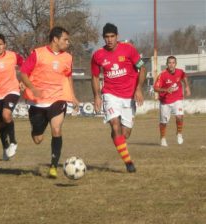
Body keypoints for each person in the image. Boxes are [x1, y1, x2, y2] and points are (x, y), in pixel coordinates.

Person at [20, 26, 79, 178]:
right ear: (55, 39)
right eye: (65, 39)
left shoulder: (67, 57)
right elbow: (23, 73)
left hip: (57, 98)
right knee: (38, 139)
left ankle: (53, 166)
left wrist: (72, 96)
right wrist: (32, 88)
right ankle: (36, 129)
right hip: (37, 102)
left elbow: (68, 76)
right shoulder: (38, 54)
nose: (68, 42)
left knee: (57, 130)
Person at [91, 23, 146, 173]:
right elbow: (95, 77)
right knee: (115, 125)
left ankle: (117, 137)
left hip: (129, 96)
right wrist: (97, 96)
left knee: (125, 133)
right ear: (103, 38)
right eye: (106, 37)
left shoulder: (129, 49)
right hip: (110, 94)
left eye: (112, 36)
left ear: (117, 37)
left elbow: (142, 68)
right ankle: (128, 163)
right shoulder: (98, 55)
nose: (109, 40)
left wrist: (139, 89)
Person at [154, 56, 191, 147]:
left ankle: (179, 133)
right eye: (169, 63)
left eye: (173, 63)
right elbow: (155, 88)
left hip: (177, 99)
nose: (171, 65)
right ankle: (162, 138)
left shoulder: (180, 72)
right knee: (163, 122)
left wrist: (187, 87)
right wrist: (166, 90)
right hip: (165, 102)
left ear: (175, 64)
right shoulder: (162, 75)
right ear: (167, 64)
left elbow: (184, 76)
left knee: (179, 116)